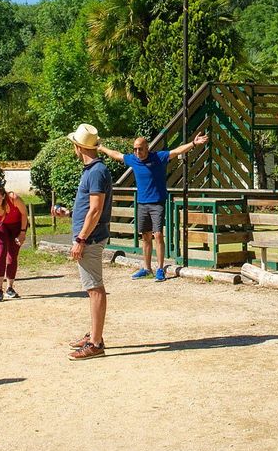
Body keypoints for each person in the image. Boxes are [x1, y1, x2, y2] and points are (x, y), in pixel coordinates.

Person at [99, 131, 207, 281]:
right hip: (142, 204)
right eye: (135, 149)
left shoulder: (158, 157)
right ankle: (147, 268)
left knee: (158, 235)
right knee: (145, 237)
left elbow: (176, 151)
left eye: (140, 149)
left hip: (157, 203)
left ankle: (160, 269)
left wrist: (193, 143)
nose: (137, 152)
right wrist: (102, 148)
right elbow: (117, 154)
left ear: (147, 148)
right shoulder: (133, 160)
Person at [54, 123, 112, 360]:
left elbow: (96, 210)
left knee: (95, 288)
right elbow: (90, 208)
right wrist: (69, 214)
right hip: (89, 236)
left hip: (90, 238)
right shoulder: (93, 171)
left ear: (79, 147)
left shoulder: (96, 171)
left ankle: (96, 344)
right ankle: (94, 335)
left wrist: (80, 239)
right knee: (91, 288)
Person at [0, 180, 29, 302]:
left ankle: (10, 287)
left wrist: (22, 233)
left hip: (17, 225)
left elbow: (24, 213)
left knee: (12, 255)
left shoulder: (13, 198)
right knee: (1, 251)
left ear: (3, 196)